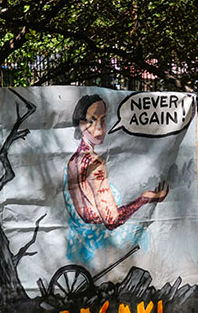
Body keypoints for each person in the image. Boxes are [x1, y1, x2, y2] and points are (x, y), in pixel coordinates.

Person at [64, 94, 168, 263]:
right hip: (99, 243)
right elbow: (111, 220)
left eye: (103, 120)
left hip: (77, 240)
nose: (99, 127)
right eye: (92, 120)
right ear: (81, 124)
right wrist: (144, 199)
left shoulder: (73, 160)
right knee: (147, 237)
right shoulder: (94, 162)